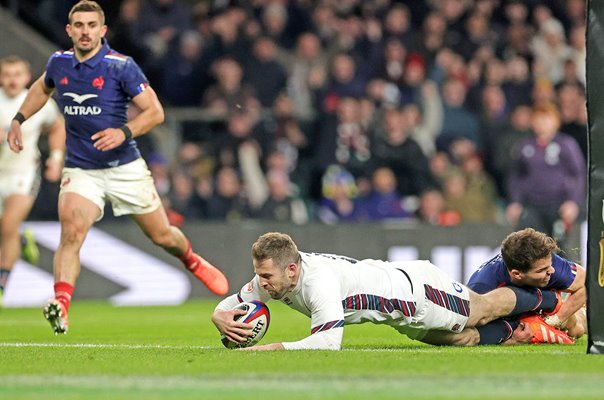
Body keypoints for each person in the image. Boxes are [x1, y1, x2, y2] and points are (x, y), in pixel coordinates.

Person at [6, 1, 228, 334]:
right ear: (69, 30)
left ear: (102, 30)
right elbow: (41, 87)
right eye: (78, 25)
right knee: (72, 231)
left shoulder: (121, 66)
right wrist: (19, 119)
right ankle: (61, 305)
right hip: (81, 169)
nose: (84, 31)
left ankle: (191, 259)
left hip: (124, 167)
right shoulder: (59, 63)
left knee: (162, 235)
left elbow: (155, 112)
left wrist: (123, 131)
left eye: (91, 25)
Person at [212, 232, 564, 350]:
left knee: (481, 308)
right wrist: (220, 316)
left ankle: (551, 299)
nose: (262, 282)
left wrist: (267, 349)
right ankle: (519, 329)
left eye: (267, 276)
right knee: (460, 341)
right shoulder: (276, 276)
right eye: (260, 276)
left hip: (418, 292)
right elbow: (235, 301)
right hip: (397, 314)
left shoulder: (318, 282)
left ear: (292, 269)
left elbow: (327, 343)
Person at [0, 55, 65, 306]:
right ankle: (23, 240)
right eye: (6, 75)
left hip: (23, 173)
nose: (12, 80)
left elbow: (57, 126)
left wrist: (56, 158)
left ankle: (2, 286)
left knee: (8, 226)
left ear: (26, 77)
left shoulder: (38, 103)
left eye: (17, 75)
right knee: (7, 230)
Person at [467, 228, 586, 343]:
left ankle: (586, 315)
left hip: (541, 304)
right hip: (506, 317)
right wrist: (511, 340)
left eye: (550, 264)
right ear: (517, 274)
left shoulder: (545, 260)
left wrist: (556, 320)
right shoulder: (482, 287)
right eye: (542, 270)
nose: (552, 271)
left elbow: (586, 282)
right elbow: (472, 329)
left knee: (575, 329)